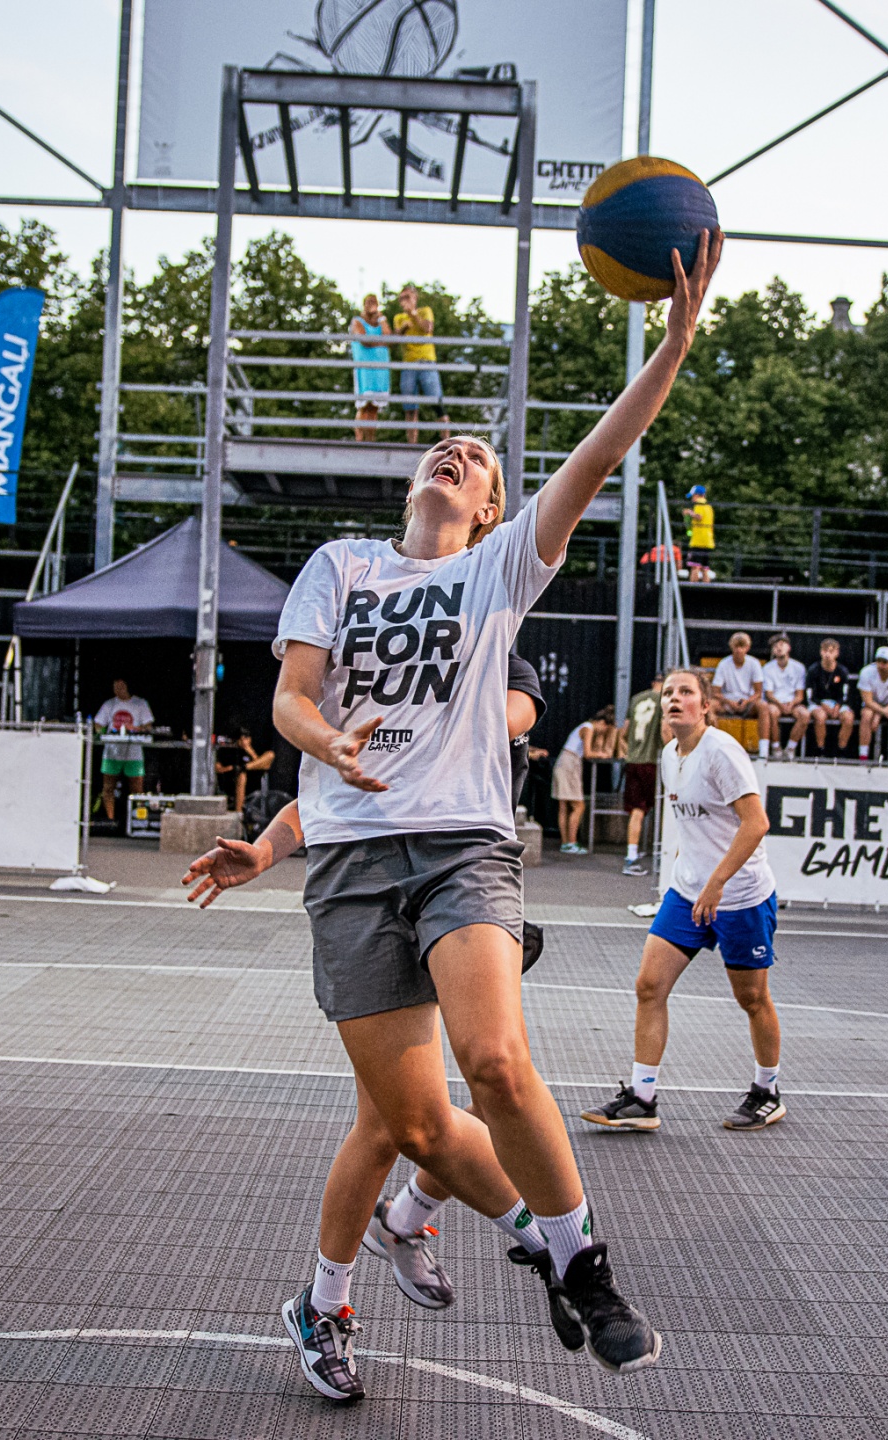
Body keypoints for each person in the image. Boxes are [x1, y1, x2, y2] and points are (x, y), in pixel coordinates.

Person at [267, 225, 717, 1398]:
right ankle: (337, 1291)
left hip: (464, 849)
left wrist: (672, 347)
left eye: (476, 460)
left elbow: (601, 454)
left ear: (495, 509)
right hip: (353, 862)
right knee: (411, 1126)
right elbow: (290, 699)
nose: (456, 453)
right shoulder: (343, 565)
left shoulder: (500, 569)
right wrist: (325, 746)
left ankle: (582, 1267)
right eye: (444, 446)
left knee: (498, 1064)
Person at [183, 658, 561, 1344]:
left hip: (459, 898)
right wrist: (266, 851)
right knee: (394, 1124)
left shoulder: (500, 666)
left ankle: (391, 1243)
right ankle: (542, 1249)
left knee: (488, 1085)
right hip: (380, 901)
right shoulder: (383, 676)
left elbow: (501, 720)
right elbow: (326, 797)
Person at [581, 665, 785, 1133]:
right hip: (688, 891)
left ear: (706, 705)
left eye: (686, 692)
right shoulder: (670, 754)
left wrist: (717, 883)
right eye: (669, 692)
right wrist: (691, 876)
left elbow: (756, 823)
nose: (674, 698)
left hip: (740, 895)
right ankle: (642, 1098)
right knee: (649, 986)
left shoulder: (722, 752)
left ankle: (767, 1091)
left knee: (752, 998)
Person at [553, 705, 616, 855]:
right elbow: (588, 753)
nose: (602, 732)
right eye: (604, 729)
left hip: (563, 761)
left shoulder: (584, 726)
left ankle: (566, 843)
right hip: (570, 763)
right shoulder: (588, 728)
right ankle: (571, 842)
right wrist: (602, 755)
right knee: (579, 806)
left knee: (564, 806)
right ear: (602, 723)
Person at [619, 675, 665, 876]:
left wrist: (627, 751)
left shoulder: (636, 699)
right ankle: (663, 854)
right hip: (652, 761)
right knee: (664, 808)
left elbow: (623, 732)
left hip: (633, 761)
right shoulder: (664, 700)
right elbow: (665, 730)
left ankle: (631, 856)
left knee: (636, 810)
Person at [391, 284, 448, 445]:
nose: (404, 301)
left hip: (427, 362)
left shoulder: (425, 311)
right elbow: (394, 340)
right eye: (402, 298)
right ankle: (412, 445)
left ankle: (447, 442)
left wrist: (413, 315)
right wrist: (403, 328)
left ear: (415, 298)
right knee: (409, 408)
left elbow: (427, 328)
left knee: (437, 403)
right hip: (408, 364)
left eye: (407, 297)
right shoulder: (399, 318)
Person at [94, 678, 155, 828]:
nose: (117, 689)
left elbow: (148, 726)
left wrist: (135, 729)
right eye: (115, 686)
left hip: (134, 753)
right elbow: (98, 724)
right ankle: (110, 820)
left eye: (120, 686)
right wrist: (103, 731)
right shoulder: (109, 704)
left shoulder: (140, 704)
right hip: (112, 752)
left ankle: (139, 820)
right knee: (108, 787)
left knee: (137, 788)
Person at [759, 632, 808, 761]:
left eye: (781, 644)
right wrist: (780, 704)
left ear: (789, 647)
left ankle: (790, 748)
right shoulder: (767, 668)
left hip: (793, 703)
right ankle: (776, 748)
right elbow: (769, 694)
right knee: (771, 712)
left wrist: (791, 704)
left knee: (805, 715)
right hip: (775, 703)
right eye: (775, 646)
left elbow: (800, 694)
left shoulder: (799, 667)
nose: (779, 648)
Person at [349, 295, 391, 442]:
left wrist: (382, 319)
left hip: (380, 371)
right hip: (365, 370)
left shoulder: (380, 322)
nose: (372, 305)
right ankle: (359, 441)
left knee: (374, 408)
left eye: (375, 302)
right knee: (364, 406)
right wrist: (381, 342)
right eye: (369, 302)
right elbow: (365, 340)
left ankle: (371, 441)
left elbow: (389, 338)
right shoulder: (357, 321)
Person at [804, 637, 855, 755]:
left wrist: (838, 706)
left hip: (836, 703)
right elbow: (810, 695)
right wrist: (822, 705)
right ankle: (820, 749)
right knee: (820, 716)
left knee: (848, 718)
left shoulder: (842, 671)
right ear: (820, 652)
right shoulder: (813, 670)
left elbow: (846, 694)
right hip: (818, 703)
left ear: (837, 653)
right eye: (825, 651)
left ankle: (841, 750)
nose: (827, 654)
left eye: (831, 651)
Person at [710, 632, 762, 733]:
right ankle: (712, 737)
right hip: (727, 702)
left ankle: (765, 742)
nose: (739, 650)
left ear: (747, 648)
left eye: (742, 647)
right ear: (731, 647)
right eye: (736, 646)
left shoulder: (754, 663)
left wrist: (747, 701)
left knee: (763, 707)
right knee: (710, 706)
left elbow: (758, 692)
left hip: (748, 702)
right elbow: (715, 692)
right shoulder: (723, 664)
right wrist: (729, 702)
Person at [683, 485, 715, 582]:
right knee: (705, 568)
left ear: (697, 495)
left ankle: (692, 588)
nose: (692, 499)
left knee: (694, 566)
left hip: (698, 541)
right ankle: (706, 588)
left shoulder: (699, 504)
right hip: (708, 541)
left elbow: (699, 517)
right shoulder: (709, 507)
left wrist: (689, 513)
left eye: (693, 496)